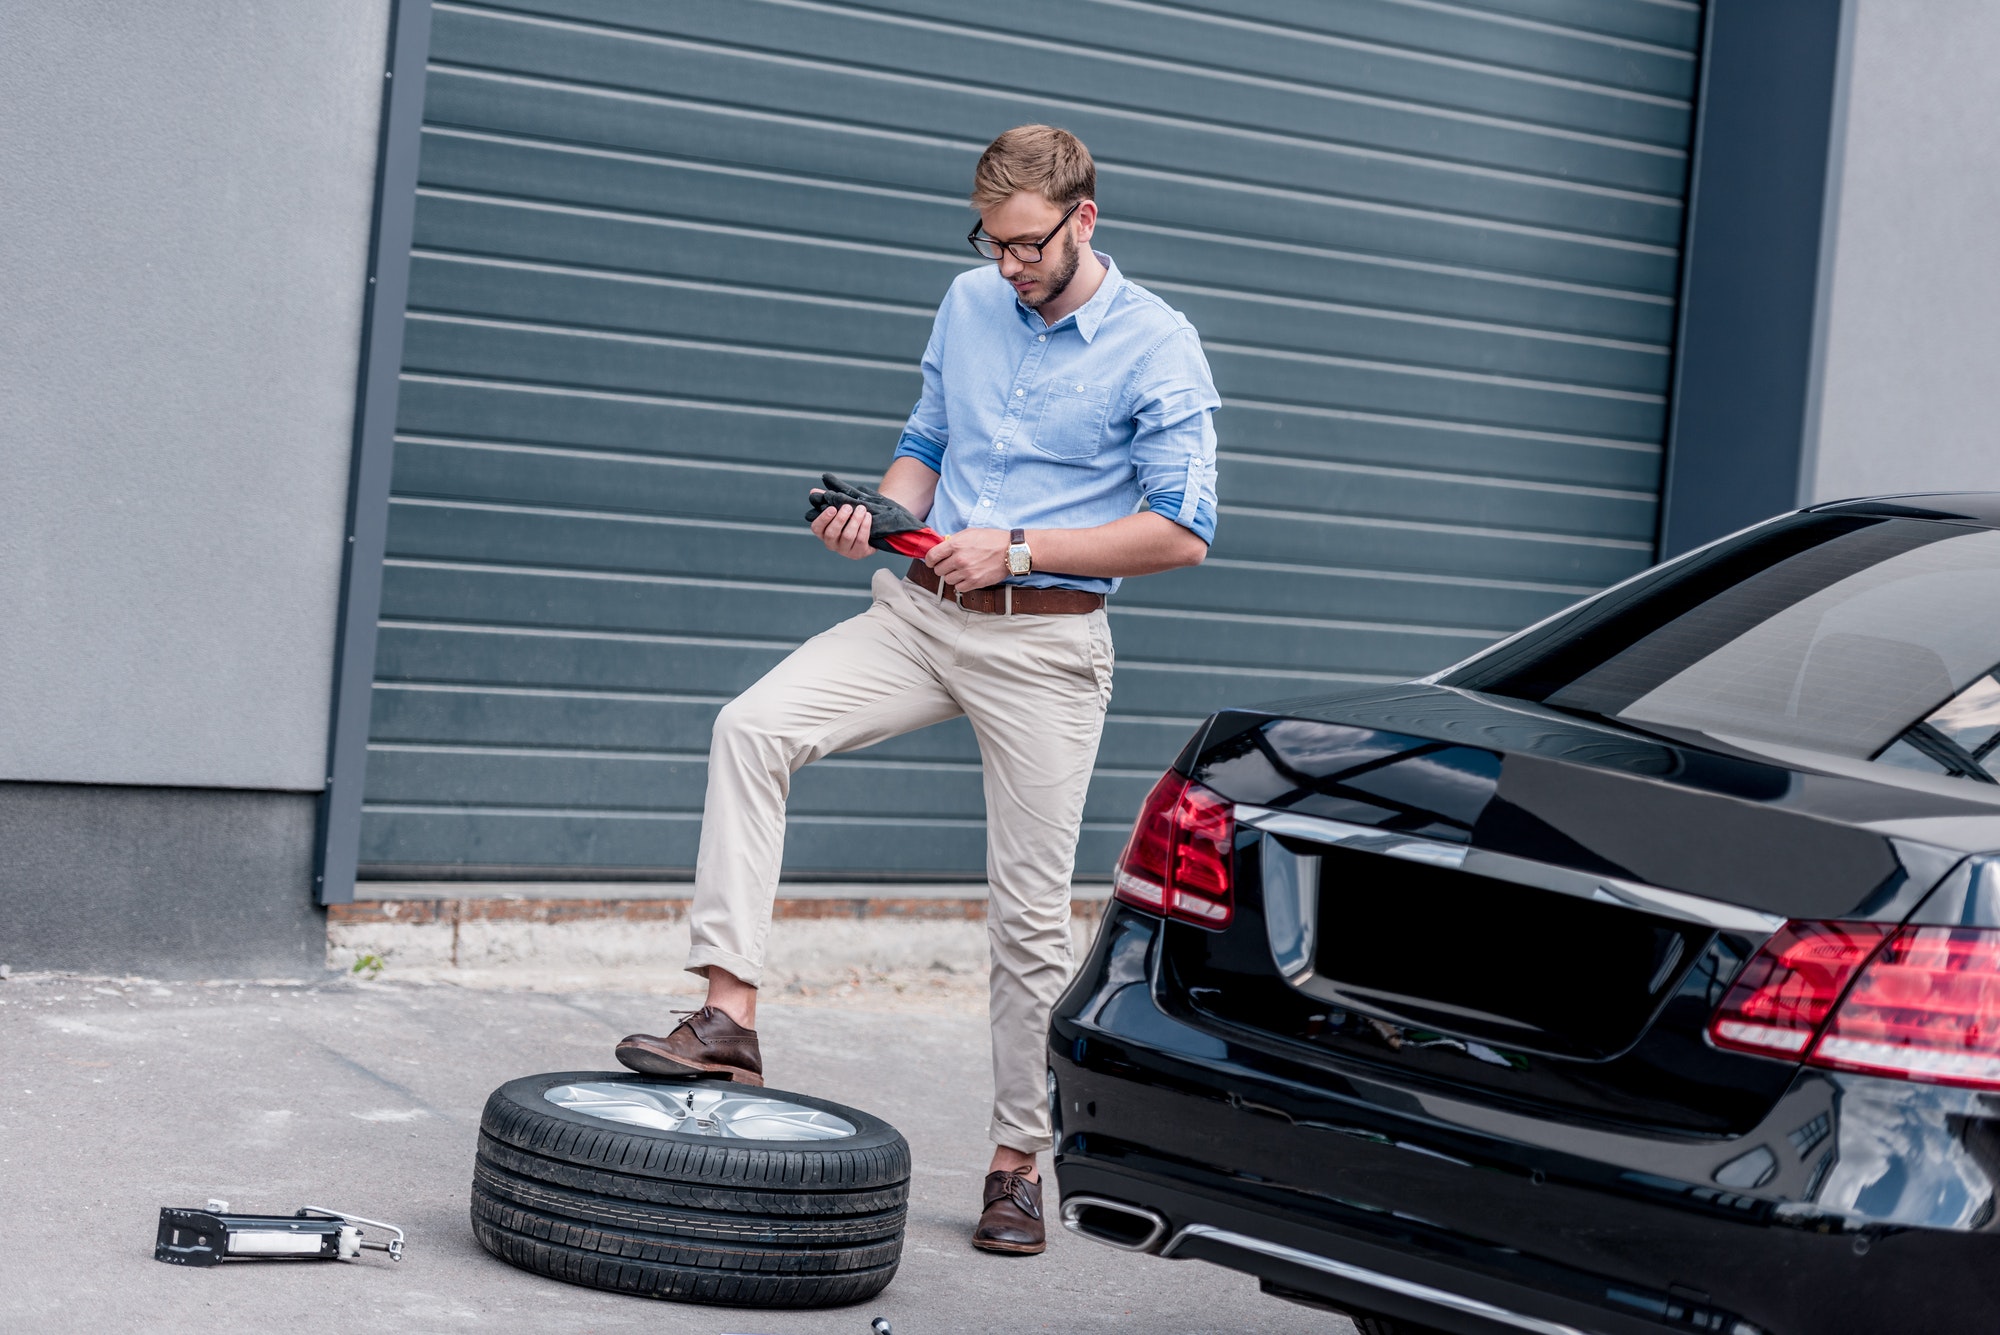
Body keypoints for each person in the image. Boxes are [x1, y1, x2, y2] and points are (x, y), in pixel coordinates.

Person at [615, 124, 1220, 1255]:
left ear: (1084, 219)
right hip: (916, 614)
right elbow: (924, 441)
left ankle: (1012, 1167)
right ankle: (728, 1014)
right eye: (989, 245)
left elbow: (1182, 533)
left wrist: (1022, 549)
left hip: (1045, 644)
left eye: (1026, 247)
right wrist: (879, 522)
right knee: (750, 728)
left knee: (1028, 923)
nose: (1007, 269)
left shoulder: (1156, 347)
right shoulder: (966, 302)